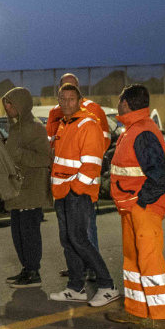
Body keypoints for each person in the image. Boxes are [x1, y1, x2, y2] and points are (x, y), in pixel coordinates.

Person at [106, 85, 165, 329]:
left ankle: (160, 318)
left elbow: (159, 175)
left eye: (119, 100)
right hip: (133, 207)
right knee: (134, 259)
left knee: (149, 261)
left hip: (142, 208)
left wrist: (140, 202)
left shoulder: (142, 131)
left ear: (125, 104)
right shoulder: (136, 129)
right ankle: (136, 311)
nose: (117, 104)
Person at [48, 83, 120, 307]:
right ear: (58, 101)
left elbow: (92, 164)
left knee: (79, 239)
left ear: (79, 101)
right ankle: (75, 287)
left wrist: (76, 188)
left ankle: (107, 286)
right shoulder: (64, 124)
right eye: (63, 98)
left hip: (76, 193)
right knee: (68, 240)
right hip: (63, 192)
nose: (67, 102)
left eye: (71, 99)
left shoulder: (87, 124)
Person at [46, 73, 110, 260]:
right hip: (62, 183)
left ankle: (92, 269)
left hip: (82, 181)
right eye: (63, 91)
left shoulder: (93, 110)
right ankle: (77, 268)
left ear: (79, 91)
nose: (67, 100)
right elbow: (50, 140)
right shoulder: (55, 113)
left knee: (86, 227)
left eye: (72, 89)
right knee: (69, 233)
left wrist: (85, 167)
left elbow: (102, 140)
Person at [1, 87, 52, 288]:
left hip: (31, 190)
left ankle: (33, 272)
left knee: (29, 234)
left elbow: (45, 158)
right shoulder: (15, 127)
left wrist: (19, 154)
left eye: (11, 103)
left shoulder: (35, 127)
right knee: (18, 233)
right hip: (18, 191)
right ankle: (27, 269)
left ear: (22, 105)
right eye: (6, 102)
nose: (7, 107)